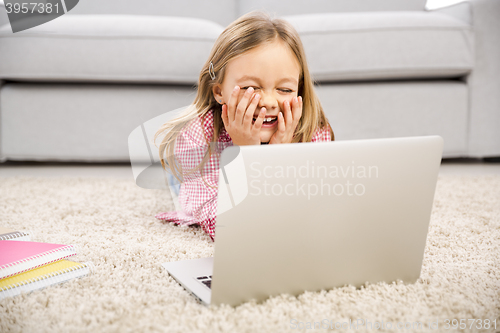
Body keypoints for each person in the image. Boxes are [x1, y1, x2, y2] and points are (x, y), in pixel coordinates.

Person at [154, 10, 334, 241]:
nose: (269, 102)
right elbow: (224, 228)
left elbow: (309, 213)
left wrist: (278, 157)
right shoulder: (198, 135)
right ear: (219, 91)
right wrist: (245, 155)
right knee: (179, 186)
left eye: (285, 89)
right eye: (252, 87)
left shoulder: (312, 129)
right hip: (202, 176)